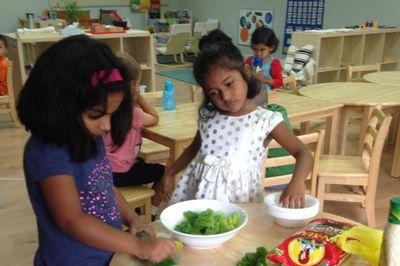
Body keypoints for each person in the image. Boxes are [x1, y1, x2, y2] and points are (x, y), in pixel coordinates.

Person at [16, 35, 176, 266]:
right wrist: (137, 245)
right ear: (60, 104)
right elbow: (71, 220)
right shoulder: (48, 152)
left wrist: (132, 219)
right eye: (96, 115)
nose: (106, 126)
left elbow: (105, 186)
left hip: (99, 264)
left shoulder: (84, 137)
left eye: (110, 114)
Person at [160, 29, 313, 209]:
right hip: (199, 195)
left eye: (229, 83)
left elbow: (303, 153)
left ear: (245, 72)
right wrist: (169, 173)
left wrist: (297, 183)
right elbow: (193, 149)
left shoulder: (264, 119)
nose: (225, 96)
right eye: (214, 92)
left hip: (240, 200)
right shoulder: (209, 116)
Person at [103, 54, 164, 210]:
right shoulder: (133, 114)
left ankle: (137, 207)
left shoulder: (102, 111)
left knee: (142, 163)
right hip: (122, 172)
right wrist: (140, 100)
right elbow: (154, 118)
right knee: (164, 171)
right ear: (130, 87)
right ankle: (152, 212)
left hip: (103, 170)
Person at [245, 26, 283, 91]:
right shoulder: (250, 60)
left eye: (262, 50)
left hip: (267, 95)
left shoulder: (274, 63)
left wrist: (265, 79)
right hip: (251, 94)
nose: (258, 53)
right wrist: (245, 72)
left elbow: (279, 82)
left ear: (271, 47)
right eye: (255, 49)